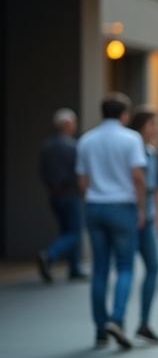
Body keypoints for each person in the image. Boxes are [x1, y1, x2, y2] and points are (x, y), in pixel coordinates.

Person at [76, 93, 147, 350]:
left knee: (100, 269)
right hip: (122, 206)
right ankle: (117, 318)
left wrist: (92, 200)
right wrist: (141, 208)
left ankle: (100, 329)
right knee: (125, 266)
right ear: (124, 115)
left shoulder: (86, 140)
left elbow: (82, 182)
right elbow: (138, 176)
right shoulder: (131, 138)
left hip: (95, 205)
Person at [129, 107, 158, 345]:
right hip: (133, 215)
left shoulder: (152, 152)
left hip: (147, 215)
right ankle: (119, 322)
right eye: (153, 124)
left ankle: (142, 322)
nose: (156, 129)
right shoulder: (133, 149)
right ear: (143, 126)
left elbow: (157, 188)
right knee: (128, 268)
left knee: (151, 267)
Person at [37, 108, 85, 282]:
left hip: (54, 195)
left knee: (66, 230)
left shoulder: (47, 145)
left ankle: (74, 268)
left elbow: (41, 172)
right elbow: (80, 173)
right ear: (68, 124)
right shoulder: (73, 146)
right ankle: (50, 254)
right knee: (74, 232)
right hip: (70, 194)